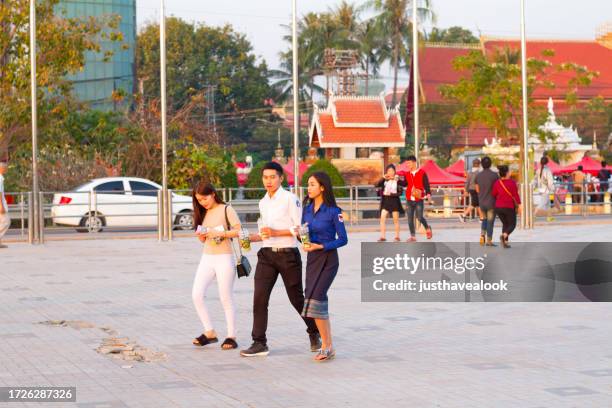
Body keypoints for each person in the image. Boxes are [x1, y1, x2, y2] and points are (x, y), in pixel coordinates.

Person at [240, 162, 321, 357]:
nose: (268, 181)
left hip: (288, 255)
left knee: (296, 299)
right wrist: (251, 237)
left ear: (280, 178)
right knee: (259, 298)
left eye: (272, 177)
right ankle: (259, 342)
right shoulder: (263, 202)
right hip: (266, 255)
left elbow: (300, 229)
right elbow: (265, 232)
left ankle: (314, 331)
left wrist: (276, 232)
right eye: (265, 177)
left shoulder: (290, 199)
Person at [300, 172, 348, 361]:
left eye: (312, 184)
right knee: (312, 300)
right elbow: (304, 233)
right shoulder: (306, 209)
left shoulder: (334, 211)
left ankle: (326, 346)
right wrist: (301, 237)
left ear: (322, 187)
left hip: (328, 260)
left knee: (318, 298)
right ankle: (328, 345)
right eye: (308, 185)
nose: (308, 188)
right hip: (312, 259)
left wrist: (322, 246)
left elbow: (343, 239)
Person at [191, 181, 242, 350]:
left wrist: (221, 233)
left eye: (204, 198)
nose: (202, 202)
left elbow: (238, 230)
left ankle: (231, 336)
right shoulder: (202, 212)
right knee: (196, 294)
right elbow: (202, 237)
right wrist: (202, 236)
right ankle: (209, 332)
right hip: (207, 257)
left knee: (225, 297)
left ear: (213, 193)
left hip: (224, 257)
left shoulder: (226, 209)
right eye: (199, 200)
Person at [401, 155, 433, 242]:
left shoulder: (422, 172)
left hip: (419, 199)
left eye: (409, 163)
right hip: (409, 199)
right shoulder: (407, 174)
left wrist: (429, 195)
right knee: (410, 218)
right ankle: (413, 236)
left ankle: (427, 228)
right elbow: (404, 184)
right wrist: (397, 180)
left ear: (414, 163)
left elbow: (426, 185)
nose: (407, 165)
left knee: (419, 217)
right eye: (406, 163)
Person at [491, 165, 521, 249]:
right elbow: (515, 195)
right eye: (510, 171)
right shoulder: (512, 182)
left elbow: (493, 194)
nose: (510, 172)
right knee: (512, 224)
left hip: (498, 207)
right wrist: (519, 204)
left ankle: (505, 242)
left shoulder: (497, 182)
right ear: (507, 173)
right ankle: (504, 236)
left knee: (505, 223)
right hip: (508, 206)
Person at [375, 164, 404, 242]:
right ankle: (383, 236)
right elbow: (376, 185)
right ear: (386, 172)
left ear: (394, 171)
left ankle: (397, 236)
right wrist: (383, 178)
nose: (390, 172)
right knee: (382, 218)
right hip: (385, 202)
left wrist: (399, 180)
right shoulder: (385, 180)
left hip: (394, 201)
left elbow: (401, 192)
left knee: (395, 219)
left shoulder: (397, 180)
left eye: (392, 170)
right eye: (389, 171)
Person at [475, 156, 499, 246]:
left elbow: (477, 189)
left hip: (482, 202)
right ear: (490, 164)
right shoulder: (494, 175)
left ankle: (482, 236)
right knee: (490, 221)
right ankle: (489, 240)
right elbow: (497, 189)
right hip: (491, 203)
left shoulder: (478, 175)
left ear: (482, 164)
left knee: (484, 219)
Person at [459, 158, 482, 223]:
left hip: (470, 189)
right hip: (476, 189)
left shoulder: (470, 172)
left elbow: (467, 182)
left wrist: (466, 190)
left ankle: (481, 218)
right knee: (474, 204)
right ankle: (463, 215)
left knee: (477, 204)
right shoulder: (478, 173)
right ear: (479, 164)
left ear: (473, 164)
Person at [533, 156, 555, 222]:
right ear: (547, 162)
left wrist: (533, 187)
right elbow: (550, 181)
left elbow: (535, 180)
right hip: (546, 190)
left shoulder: (538, 170)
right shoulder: (547, 170)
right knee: (542, 204)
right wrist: (552, 189)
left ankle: (549, 217)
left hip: (541, 189)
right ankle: (533, 215)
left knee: (548, 204)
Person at [0, 160, 9, 249]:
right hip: (0, 204)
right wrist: (1, 206)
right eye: (5, 167)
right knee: (6, 222)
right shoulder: (0, 178)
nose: (6, 169)